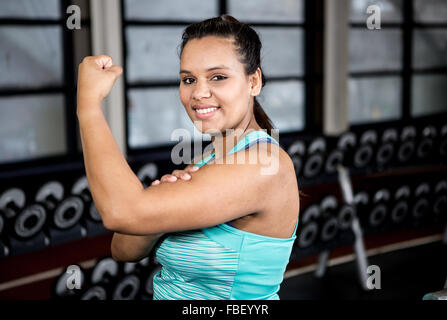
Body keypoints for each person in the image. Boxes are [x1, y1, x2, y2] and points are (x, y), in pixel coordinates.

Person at [77, 14, 300, 300]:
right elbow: (123, 249)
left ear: (253, 81)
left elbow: (121, 213)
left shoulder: (265, 165)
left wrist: (88, 107)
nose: (199, 92)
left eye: (217, 77)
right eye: (188, 79)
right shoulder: (209, 159)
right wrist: (158, 214)